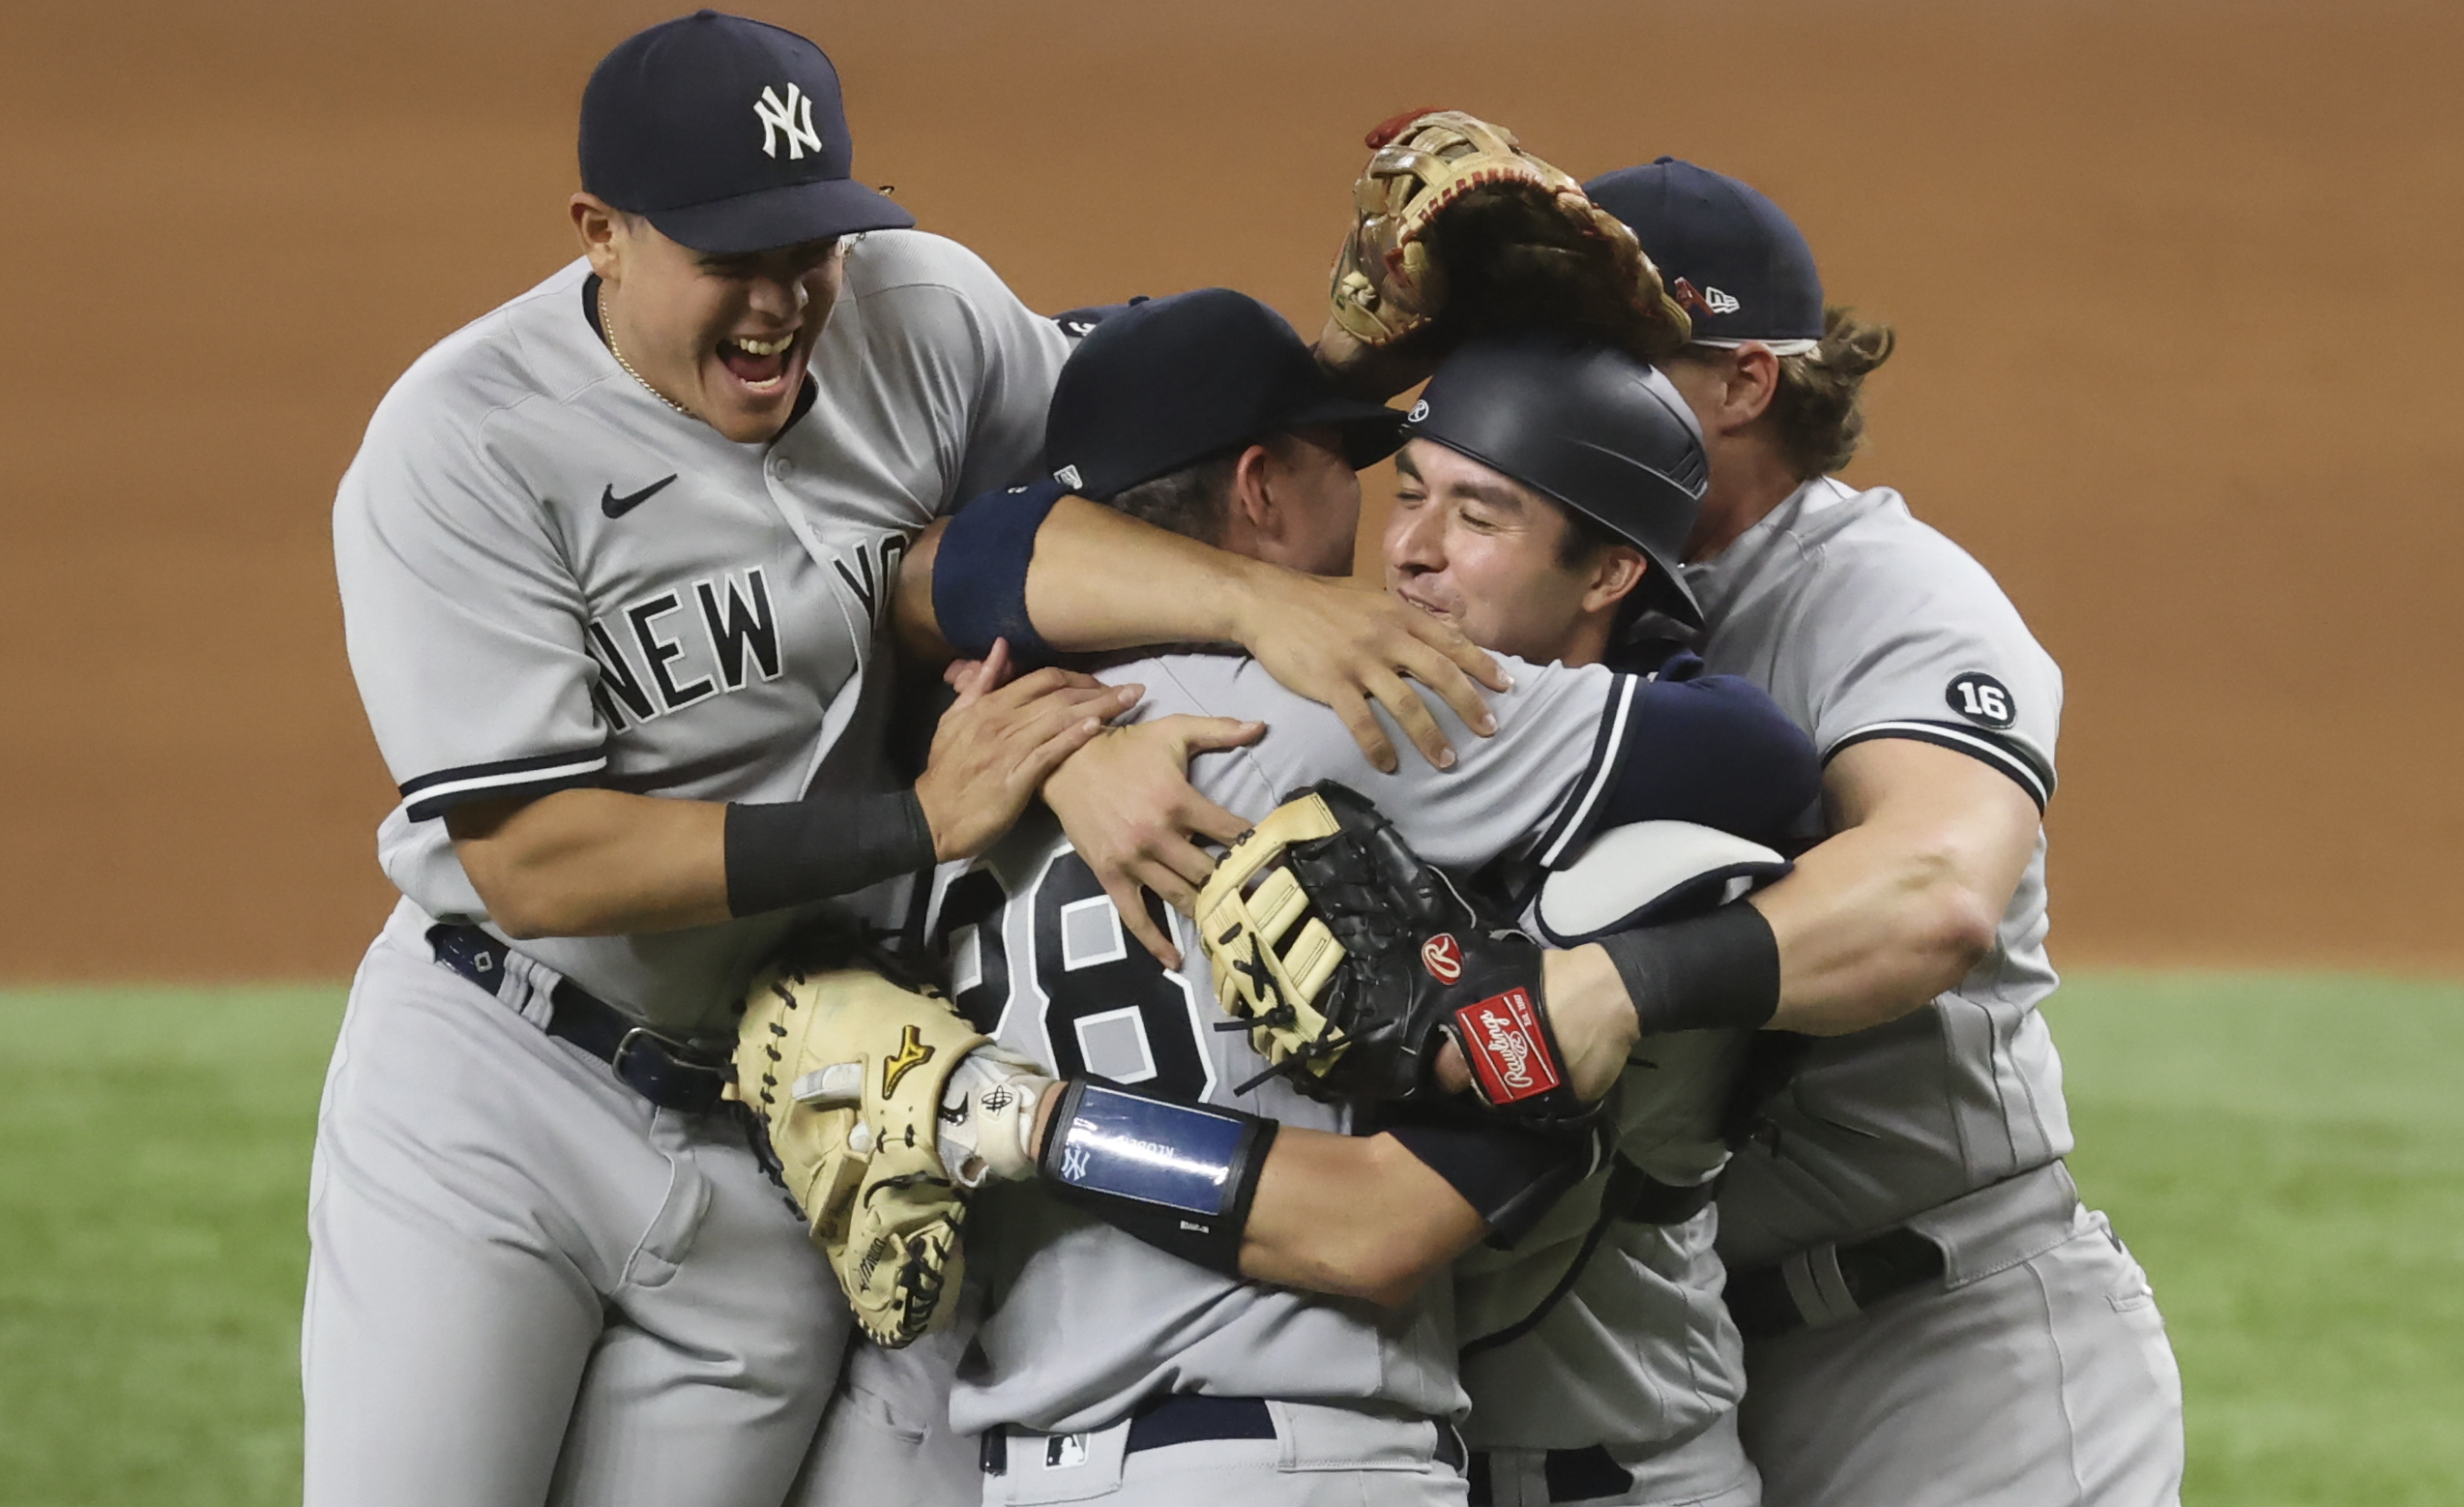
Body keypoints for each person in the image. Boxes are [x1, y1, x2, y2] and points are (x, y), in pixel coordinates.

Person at [311, 15, 1507, 1507]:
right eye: (730, 258)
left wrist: (1334, 392)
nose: (784, 301)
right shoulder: (463, 447)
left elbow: (1106, 507)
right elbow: (537, 860)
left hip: (784, 1110)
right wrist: (926, 816)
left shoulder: (924, 318)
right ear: (599, 235)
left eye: (811, 245)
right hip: (502, 1083)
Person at [850, 309, 1817, 1507]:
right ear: (1259, 488)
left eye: (1467, 509)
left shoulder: (943, 757)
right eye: (1365, 475)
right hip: (1302, 1452)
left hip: (1024, 1463)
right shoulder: (1338, 711)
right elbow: (1760, 757)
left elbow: (926, 573)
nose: (1395, 543)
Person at [1567, 158, 2186, 1507]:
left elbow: (1933, 887)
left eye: (1620, 357)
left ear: (1749, 381)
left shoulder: (1886, 594)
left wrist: (1620, 985)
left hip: (1949, 1351)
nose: (1564, 393)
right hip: (1677, 1367)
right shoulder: (1552, 603)